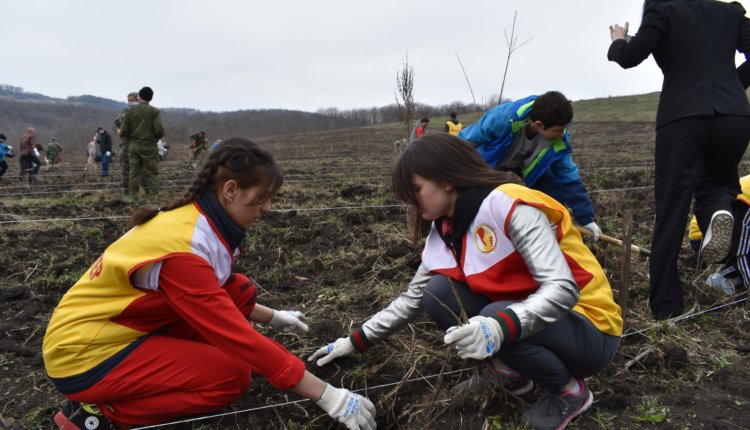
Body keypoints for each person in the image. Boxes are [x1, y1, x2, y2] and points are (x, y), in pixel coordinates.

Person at [43, 138, 377, 430]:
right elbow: (233, 333)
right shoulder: (182, 251)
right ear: (230, 190)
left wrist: (274, 317)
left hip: (120, 328)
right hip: (83, 355)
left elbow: (222, 295)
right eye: (261, 198)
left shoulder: (197, 222)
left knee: (239, 289)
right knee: (230, 377)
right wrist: (327, 395)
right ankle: (103, 414)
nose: (267, 208)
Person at [309, 134, 622, 430]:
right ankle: (511, 374)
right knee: (437, 293)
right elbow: (412, 300)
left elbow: (563, 289)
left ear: (446, 179)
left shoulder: (509, 206)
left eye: (416, 189)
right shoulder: (445, 231)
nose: (411, 201)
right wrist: (354, 341)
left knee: (495, 315)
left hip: (589, 330)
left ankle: (569, 392)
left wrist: (499, 327)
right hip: (533, 320)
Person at [607, 0, 750, 319]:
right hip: (734, 117)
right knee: (719, 182)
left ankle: (667, 307)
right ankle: (718, 212)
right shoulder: (731, 11)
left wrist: (618, 40)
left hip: (683, 117)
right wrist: (730, 87)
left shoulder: (662, 9)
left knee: (672, 209)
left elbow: (631, 57)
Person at [458, 91, 602, 241]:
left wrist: (587, 219)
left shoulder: (559, 138)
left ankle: (550, 237)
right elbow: (465, 141)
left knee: (552, 196)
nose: (562, 133)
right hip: (491, 161)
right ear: (538, 125)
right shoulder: (502, 118)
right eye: (558, 130)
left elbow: (568, 176)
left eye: (564, 128)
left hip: (526, 164)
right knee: (478, 198)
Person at [688, 174, 750, 296]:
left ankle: (736, 275)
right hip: (705, 236)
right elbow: (743, 242)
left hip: (732, 228)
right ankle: (723, 275)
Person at [119, 86, 165, 198]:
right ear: (151, 98)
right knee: (151, 172)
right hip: (149, 146)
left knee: (133, 172)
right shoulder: (154, 111)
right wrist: (154, 139)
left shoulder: (130, 111)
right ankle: (153, 196)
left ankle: (133, 196)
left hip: (133, 146)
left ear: (139, 97)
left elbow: (123, 131)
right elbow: (159, 130)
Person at [113, 92, 140, 195]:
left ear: (138, 100)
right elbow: (115, 124)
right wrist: (117, 130)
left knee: (139, 168)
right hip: (126, 144)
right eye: (128, 100)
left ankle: (140, 190)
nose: (130, 102)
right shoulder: (124, 111)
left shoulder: (144, 111)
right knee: (125, 167)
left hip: (139, 143)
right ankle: (126, 191)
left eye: (132, 100)